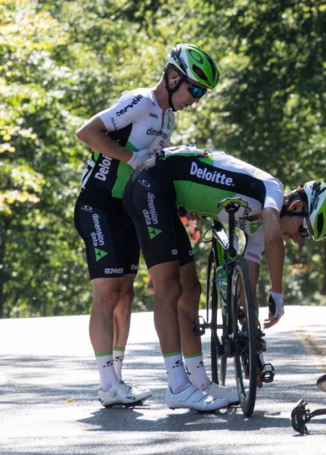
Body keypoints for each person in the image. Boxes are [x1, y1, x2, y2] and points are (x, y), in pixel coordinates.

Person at [123, 145, 326, 411]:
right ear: (295, 206)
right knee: (169, 287)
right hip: (150, 184)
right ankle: (177, 385)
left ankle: (200, 382)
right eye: (304, 230)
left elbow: (247, 283)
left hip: (165, 196)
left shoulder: (259, 224)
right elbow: (274, 239)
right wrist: (278, 295)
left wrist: (251, 341)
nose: (297, 239)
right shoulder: (270, 187)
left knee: (191, 289)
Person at [73, 44, 220, 408]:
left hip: (129, 210)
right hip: (98, 204)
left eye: (203, 93)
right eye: (195, 89)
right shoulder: (140, 101)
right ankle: (106, 383)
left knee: (126, 294)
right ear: (173, 78)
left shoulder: (168, 119)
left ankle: (116, 380)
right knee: (107, 293)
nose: (197, 99)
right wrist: (129, 156)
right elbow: (87, 132)